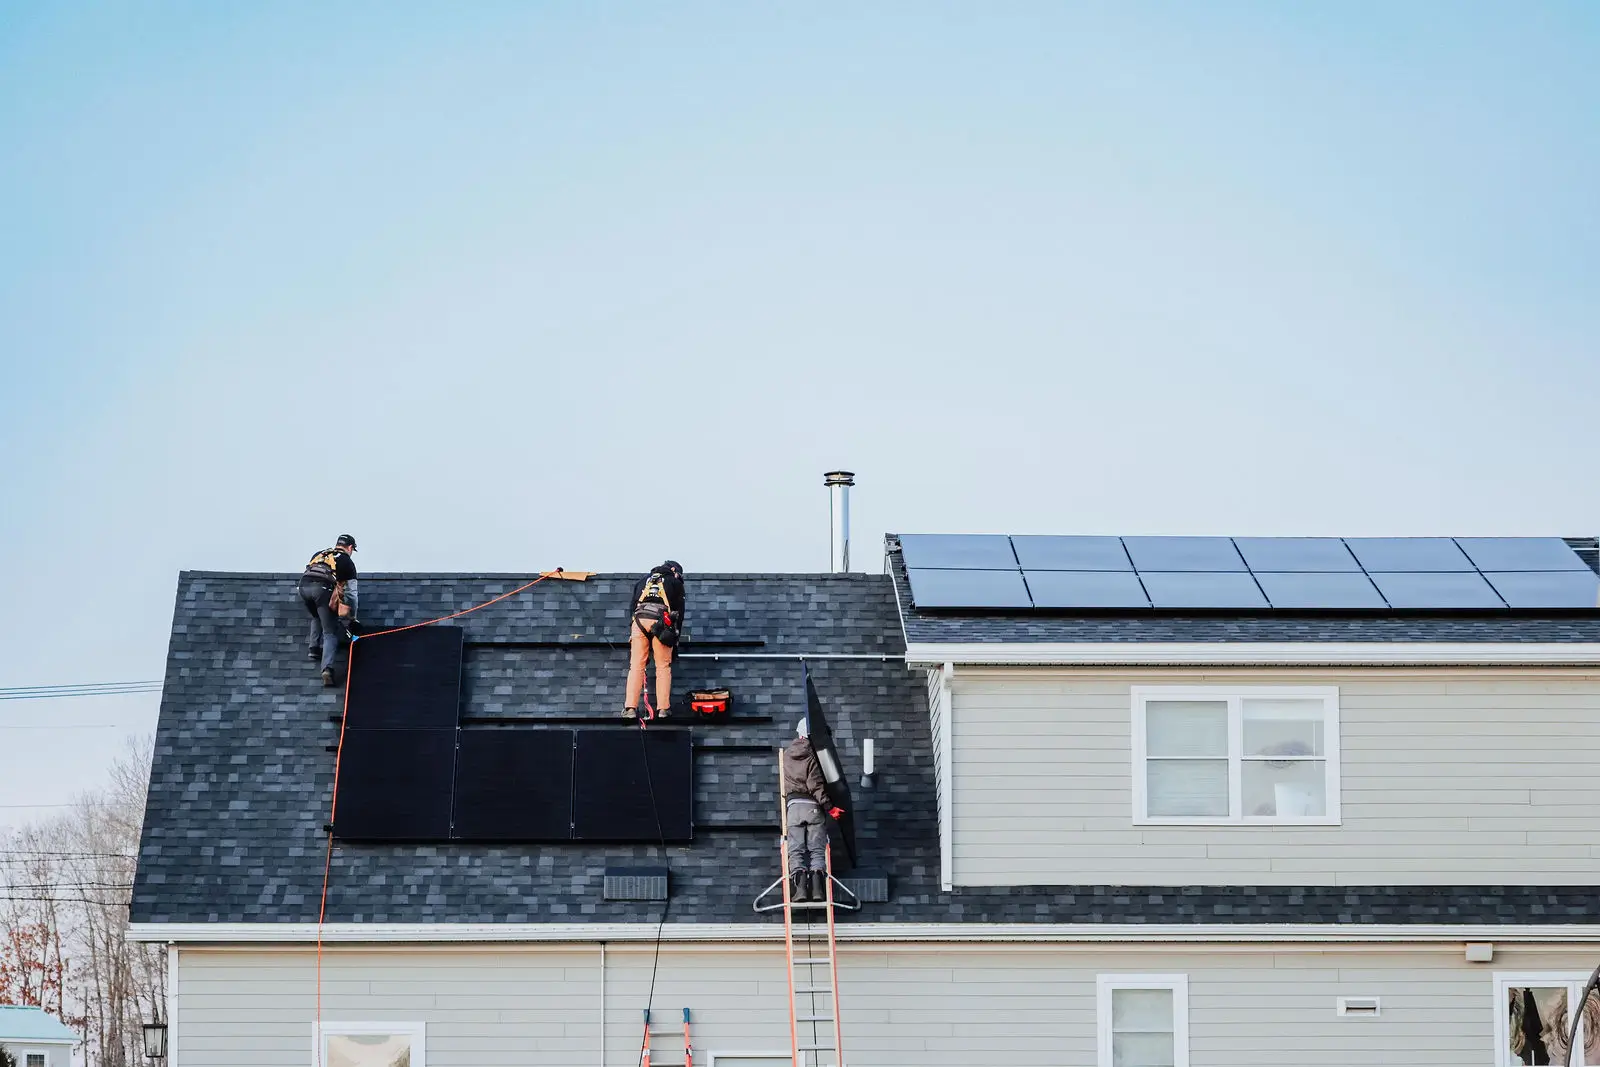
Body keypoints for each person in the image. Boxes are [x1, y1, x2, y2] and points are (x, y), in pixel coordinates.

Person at [781, 719, 844, 903]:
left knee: (796, 850)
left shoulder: (786, 754)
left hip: (793, 808)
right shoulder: (814, 755)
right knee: (817, 850)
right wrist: (830, 808)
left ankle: (800, 890)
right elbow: (814, 784)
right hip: (812, 807)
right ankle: (817, 891)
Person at [623, 560, 685, 719]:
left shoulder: (643, 580)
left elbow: (632, 607)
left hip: (638, 621)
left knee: (636, 666)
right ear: (674, 571)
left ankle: (630, 708)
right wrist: (674, 639)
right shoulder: (675, 582)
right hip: (661, 623)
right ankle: (663, 709)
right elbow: (680, 613)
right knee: (663, 666)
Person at [299, 534, 358, 687]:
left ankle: (313, 648)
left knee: (318, 613)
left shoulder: (320, 554)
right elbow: (351, 594)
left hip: (303, 587)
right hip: (322, 589)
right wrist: (353, 617)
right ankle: (327, 670)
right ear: (350, 548)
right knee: (330, 632)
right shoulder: (347, 561)